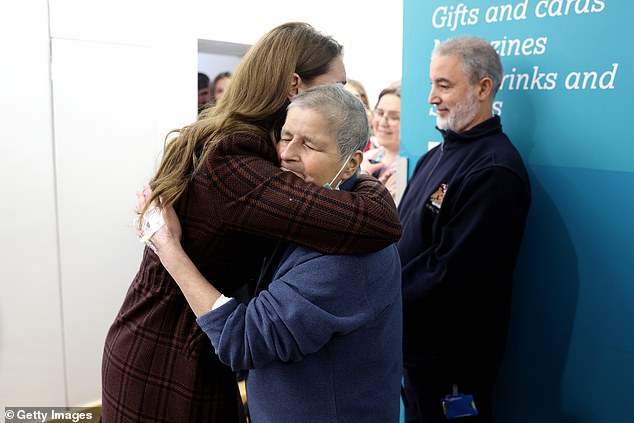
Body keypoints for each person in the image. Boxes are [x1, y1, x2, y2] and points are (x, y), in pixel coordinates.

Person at [101, 22, 402, 423]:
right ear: (295, 86)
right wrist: (366, 181)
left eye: (308, 143)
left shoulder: (249, 147)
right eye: (336, 84)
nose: (341, 97)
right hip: (168, 351)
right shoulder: (240, 158)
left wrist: (356, 174)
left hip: (189, 343)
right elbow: (375, 222)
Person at [397, 36, 531, 422]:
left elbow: (452, 275)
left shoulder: (495, 170)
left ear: (483, 87)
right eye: (431, 84)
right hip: (415, 352)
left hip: (453, 364)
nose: (430, 98)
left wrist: (380, 292)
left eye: (444, 85)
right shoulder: (433, 157)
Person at [361, 84, 402, 204]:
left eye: (394, 117)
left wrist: (362, 175)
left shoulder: (407, 168)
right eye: (379, 113)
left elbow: (379, 212)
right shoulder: (368, 156)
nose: (383, 122)